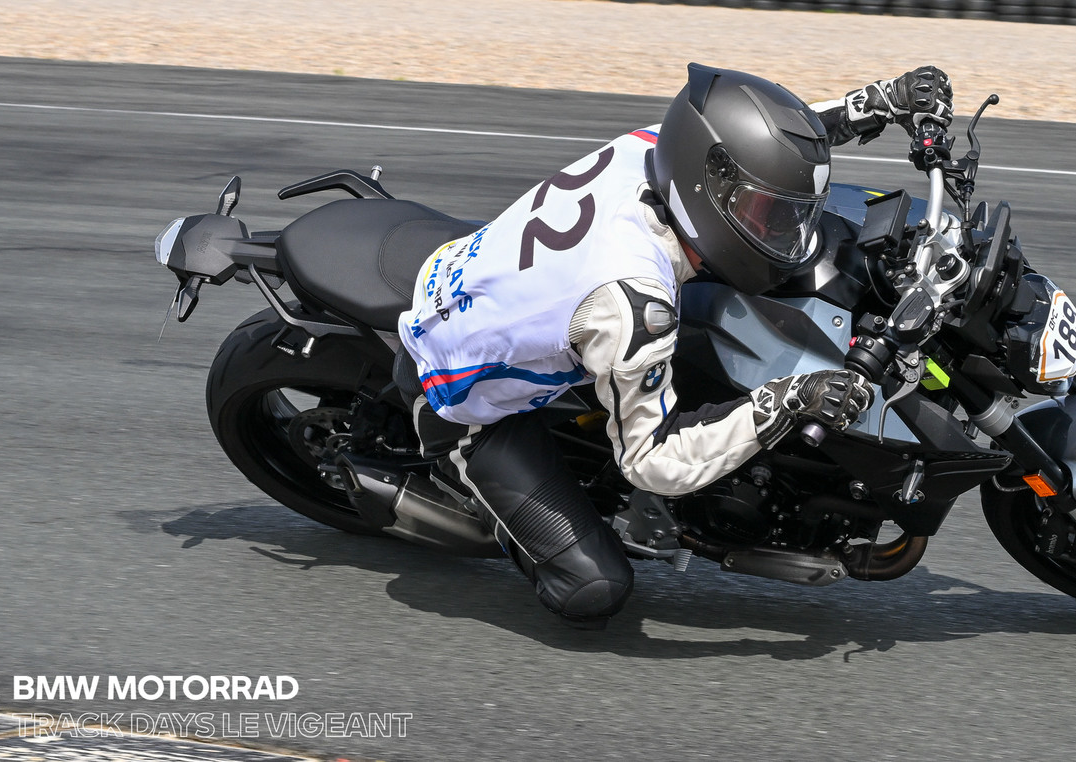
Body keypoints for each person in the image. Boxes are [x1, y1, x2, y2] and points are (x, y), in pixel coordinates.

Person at [395, 63, 953, 627]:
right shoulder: (633, 305)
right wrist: (788, 399)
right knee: (593, 589)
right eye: (769, 217)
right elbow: (652, 462)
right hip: (459, 397)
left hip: (501, 279)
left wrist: (878, 102)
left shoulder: (660, 147)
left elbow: (760, 154)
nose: (786, 230)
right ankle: (475, 499)